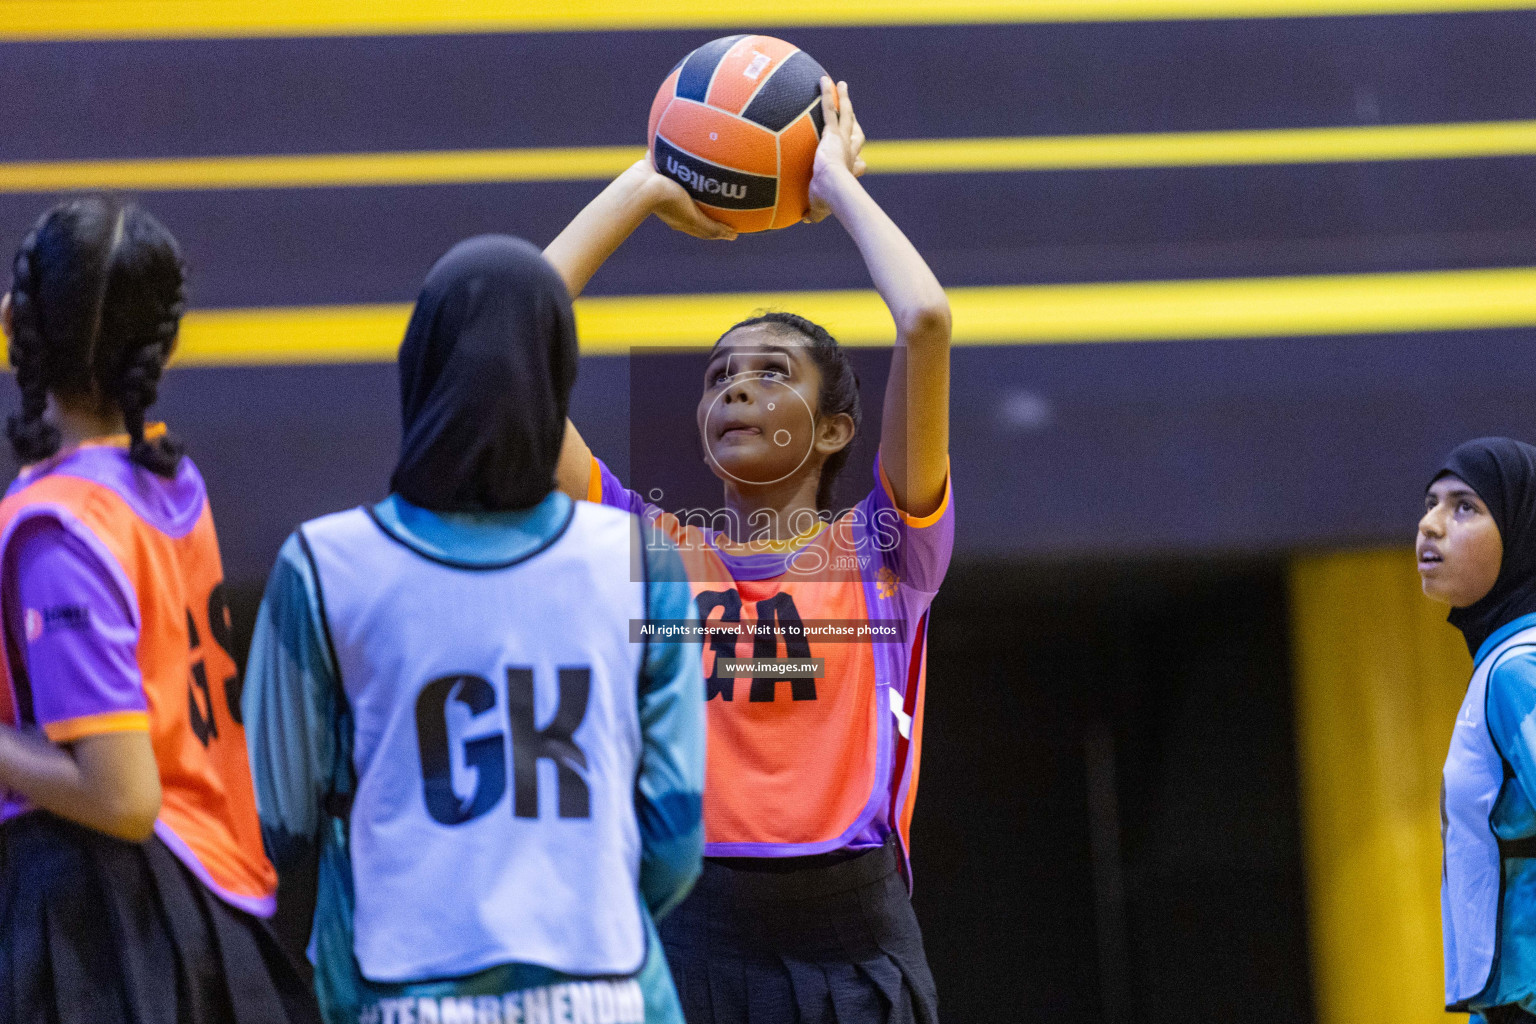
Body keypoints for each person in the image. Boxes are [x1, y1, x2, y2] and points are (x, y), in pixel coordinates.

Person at [546, 77, 951, 1024]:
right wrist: (648, 184)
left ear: (837, 430)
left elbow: (925, 320)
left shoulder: (889, 550)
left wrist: (836, 183)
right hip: (694, 929)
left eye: (772, 374)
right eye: (721, 376)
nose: (736, 390)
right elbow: (503, 338)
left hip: (856, 935)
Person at [243, 235, 706, 1024]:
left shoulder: (322, 564)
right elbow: (672, 841)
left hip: (399, 998)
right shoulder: (641, 561)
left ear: (418, 365)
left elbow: (276, 824)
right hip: (608, 991)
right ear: (558, 375)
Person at [0, 197, 317, 1023]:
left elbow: (122, 795)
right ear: (166, 345)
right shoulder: (166, 482)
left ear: (12, 325)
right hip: (200, 901)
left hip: (113, 930)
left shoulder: (60, 530)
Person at [1426, 438, 1536, 1024]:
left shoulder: (1519, 667)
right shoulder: (1502, 661)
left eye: (1465, 506)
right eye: (1432, 502)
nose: (1430, 524)